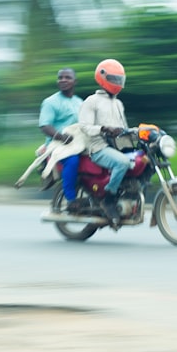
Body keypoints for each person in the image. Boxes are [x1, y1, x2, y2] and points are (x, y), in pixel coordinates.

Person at [77, 58, 133, 227]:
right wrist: (103, 129)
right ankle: (108, 199)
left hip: (116, 146)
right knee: (123, 163)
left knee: (141, 161)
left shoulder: (118, 103)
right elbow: (84, 126)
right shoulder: (91, 101)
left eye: (119, 80)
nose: (117, 83)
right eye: (114, 79)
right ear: (102, 78)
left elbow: (123, 128)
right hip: (98, 147)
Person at [38, 67, 84, 211]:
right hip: (58, 144)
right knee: (73, 160)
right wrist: (61, 137)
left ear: (75, 81)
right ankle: (70, 199)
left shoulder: (80, 102)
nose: (63, 80)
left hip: (78, 142)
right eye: (60, 77)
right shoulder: (50, 102)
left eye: (67, 77)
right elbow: (45, 126)